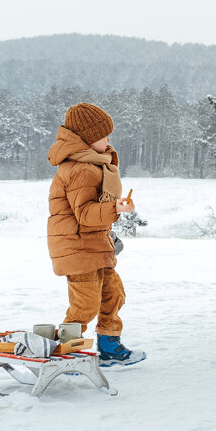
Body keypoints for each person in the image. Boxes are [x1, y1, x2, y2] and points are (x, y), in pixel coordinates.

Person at [47, 102, 146, 366]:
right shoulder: (81, 169)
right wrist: (114, 207)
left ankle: (109, 346)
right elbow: (85, 214)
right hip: (77, 249)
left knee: (113, 294)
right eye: (104, 135)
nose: (109, 140)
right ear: (89, 139)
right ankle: (64, 354)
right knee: (85, 305)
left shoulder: (94, 164)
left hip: (94, 245)